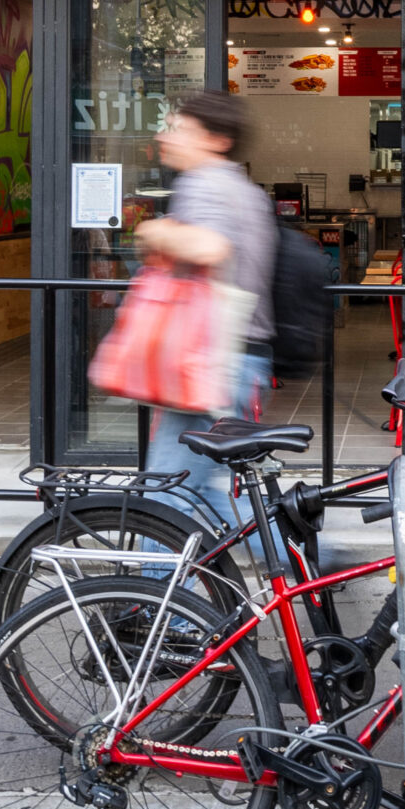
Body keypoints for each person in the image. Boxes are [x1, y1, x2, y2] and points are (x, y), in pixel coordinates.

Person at [136, 88, 276, 536]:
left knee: (166, 492)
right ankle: (308, 564)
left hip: (212, 359)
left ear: (217, 140)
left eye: (178, 128)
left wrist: (152, 230)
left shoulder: (203, 183)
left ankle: (156, 605)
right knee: (195, 487)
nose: (165, 135)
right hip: (242, 359)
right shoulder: (245, 189)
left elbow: (209, 247)